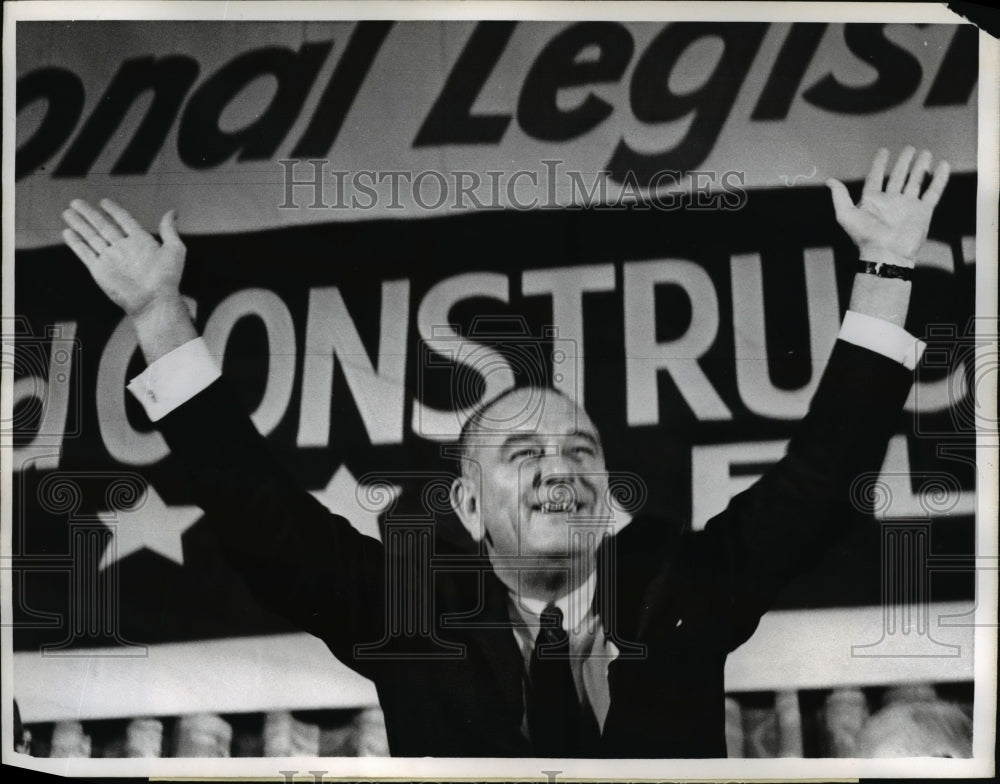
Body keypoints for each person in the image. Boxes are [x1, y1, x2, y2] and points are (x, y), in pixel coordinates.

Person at [60, 147, 950, 758]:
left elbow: (819, 475)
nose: (560, 465)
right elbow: (262, 516)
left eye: (580, 451)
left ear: (606, 495)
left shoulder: (686, 584)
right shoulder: (411, 612)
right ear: (471, 507)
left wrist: (885, 268)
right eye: (522, 453)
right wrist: (157, 316)